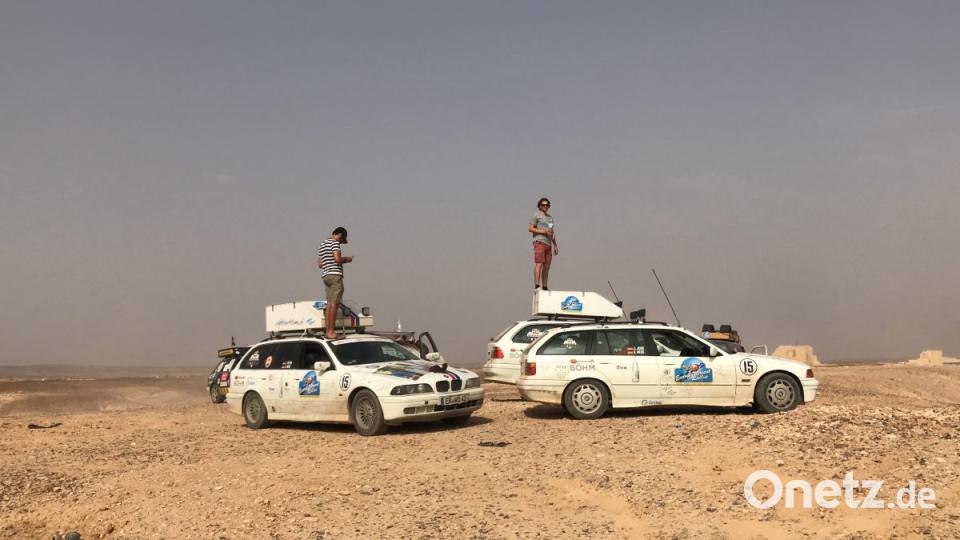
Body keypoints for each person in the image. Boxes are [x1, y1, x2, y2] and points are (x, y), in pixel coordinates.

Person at [317, 227, 353, 339]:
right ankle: (331, 332)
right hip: (335, 275)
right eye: (342, 240)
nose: (341, 243)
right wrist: (347, 259)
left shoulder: (322, 244)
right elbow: (337, 259)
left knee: (329, 304)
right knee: (334, 304)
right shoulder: (335, 243)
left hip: (326, 275)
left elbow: (320, 264)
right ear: (340, 235)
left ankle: (328, 331)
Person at [528, 197, 558, 290]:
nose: (545, 206)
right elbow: (530, 228)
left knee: (547, 266)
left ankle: (545, 286)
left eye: (547, 205)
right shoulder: (536, 215)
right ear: (540, 206)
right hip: (539, 241)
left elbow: (552, 231)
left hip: (548, 244)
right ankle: (537, 285)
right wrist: (542, 231)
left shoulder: (550, 219)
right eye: (543, 205)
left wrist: (555, 245)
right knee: (539, 263)